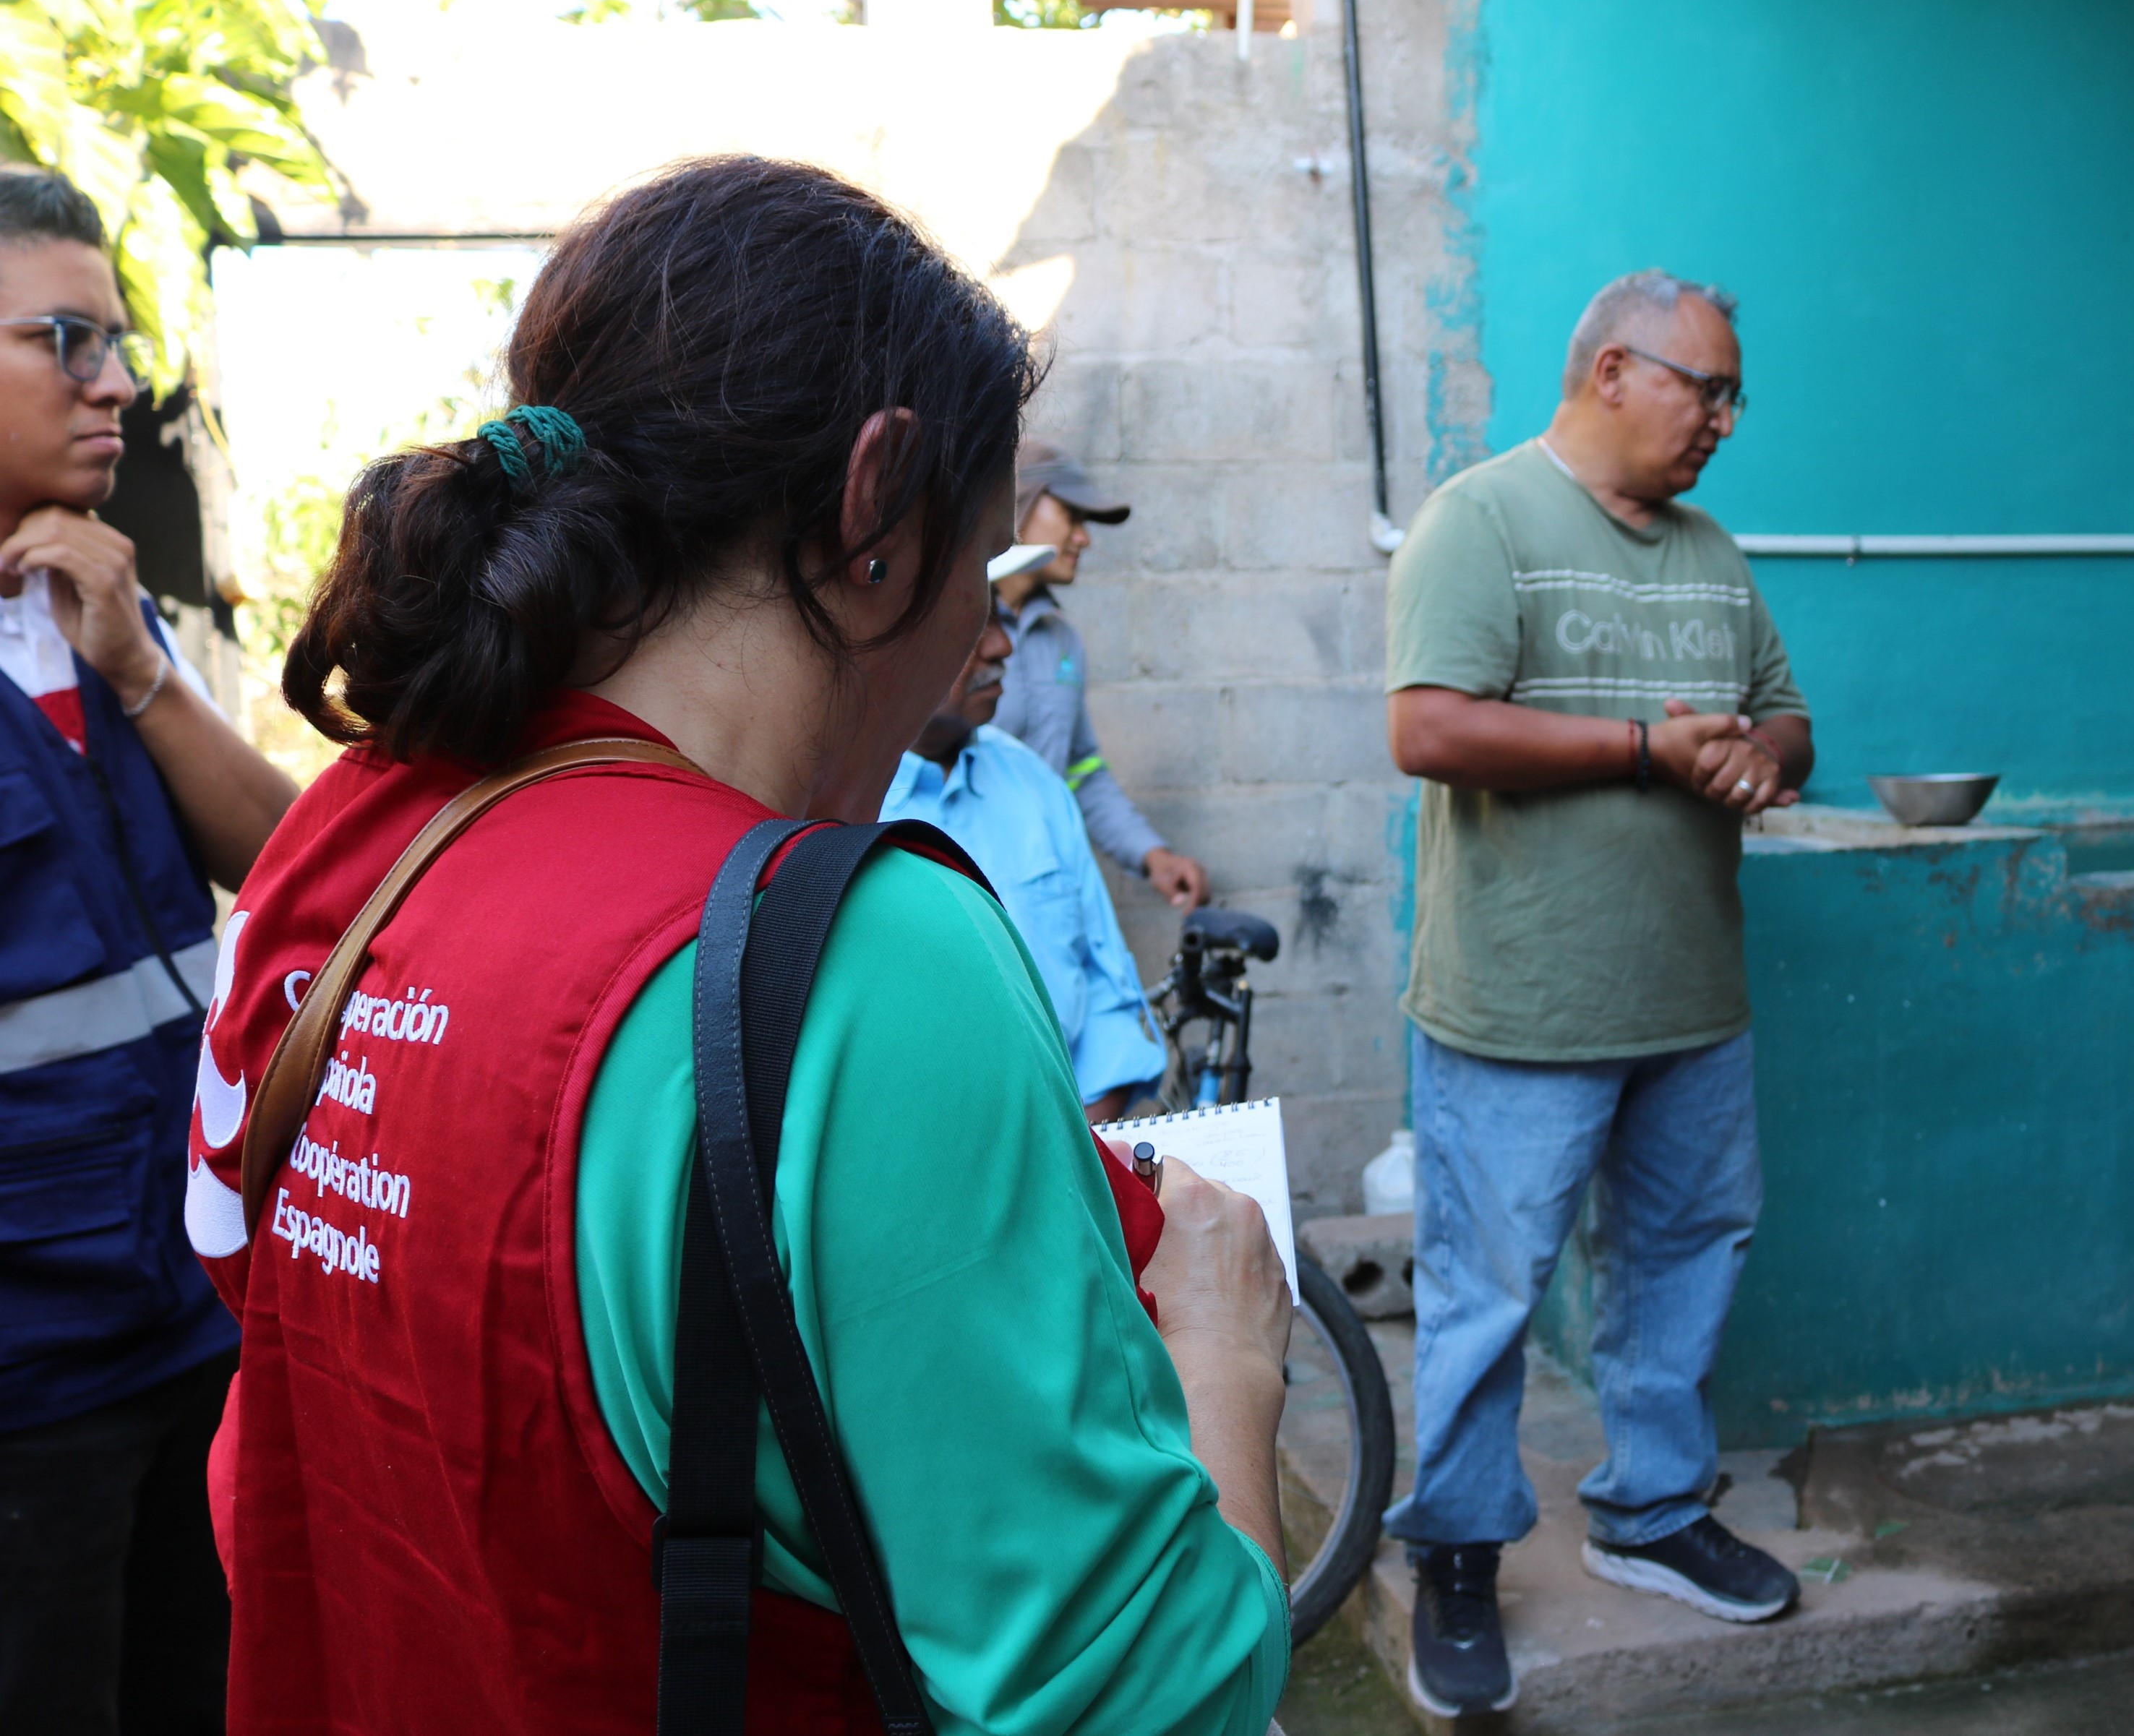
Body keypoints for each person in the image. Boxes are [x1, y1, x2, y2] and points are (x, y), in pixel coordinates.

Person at [184, 157, 1293, 1733]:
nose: (971, 651)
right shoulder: (854, 957)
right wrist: (1229, 1360)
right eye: (977, 567)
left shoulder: (364, 830)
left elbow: (271, 1434)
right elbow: (1146, 1702)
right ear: (875, 511)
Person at [1381, 268, 1816, 1716]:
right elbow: (1428, 727)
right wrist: (1647, 749)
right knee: (1486, 1289)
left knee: (1686, 1252)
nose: (1722, 423)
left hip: (1689, 995)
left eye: (1732, 396)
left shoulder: (1709, 551)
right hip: (1520, 1003)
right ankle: (1453, 1546)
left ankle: (1651, 1509)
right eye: (1708, 390)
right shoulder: (1481, 519)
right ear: (1615, 370)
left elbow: (1784, 712)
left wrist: (1763, 755)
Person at [0, 167, 298, 1735]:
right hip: (24, 1383)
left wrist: (134, 671)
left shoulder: (98, 602)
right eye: (67, 338)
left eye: (114, 339)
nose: (116, 380)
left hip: (185, 1319)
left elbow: (284, 867)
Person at [881, 585, 1169, 1123]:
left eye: (1001, 622)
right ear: (892, 641)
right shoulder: (843, 811)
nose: (1002, 647)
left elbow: (1106, 979)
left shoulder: (1033, 782)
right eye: (974, 622)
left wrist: (1081, 1135)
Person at [990, 441, 1212, 910]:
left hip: (1047, 891)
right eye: (1072, 516)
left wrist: (1152, 856)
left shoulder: (1061, 639)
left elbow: (1080, 769)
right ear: (1018, 503)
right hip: (972, 890)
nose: (1084, 538)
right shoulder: (950, 637)